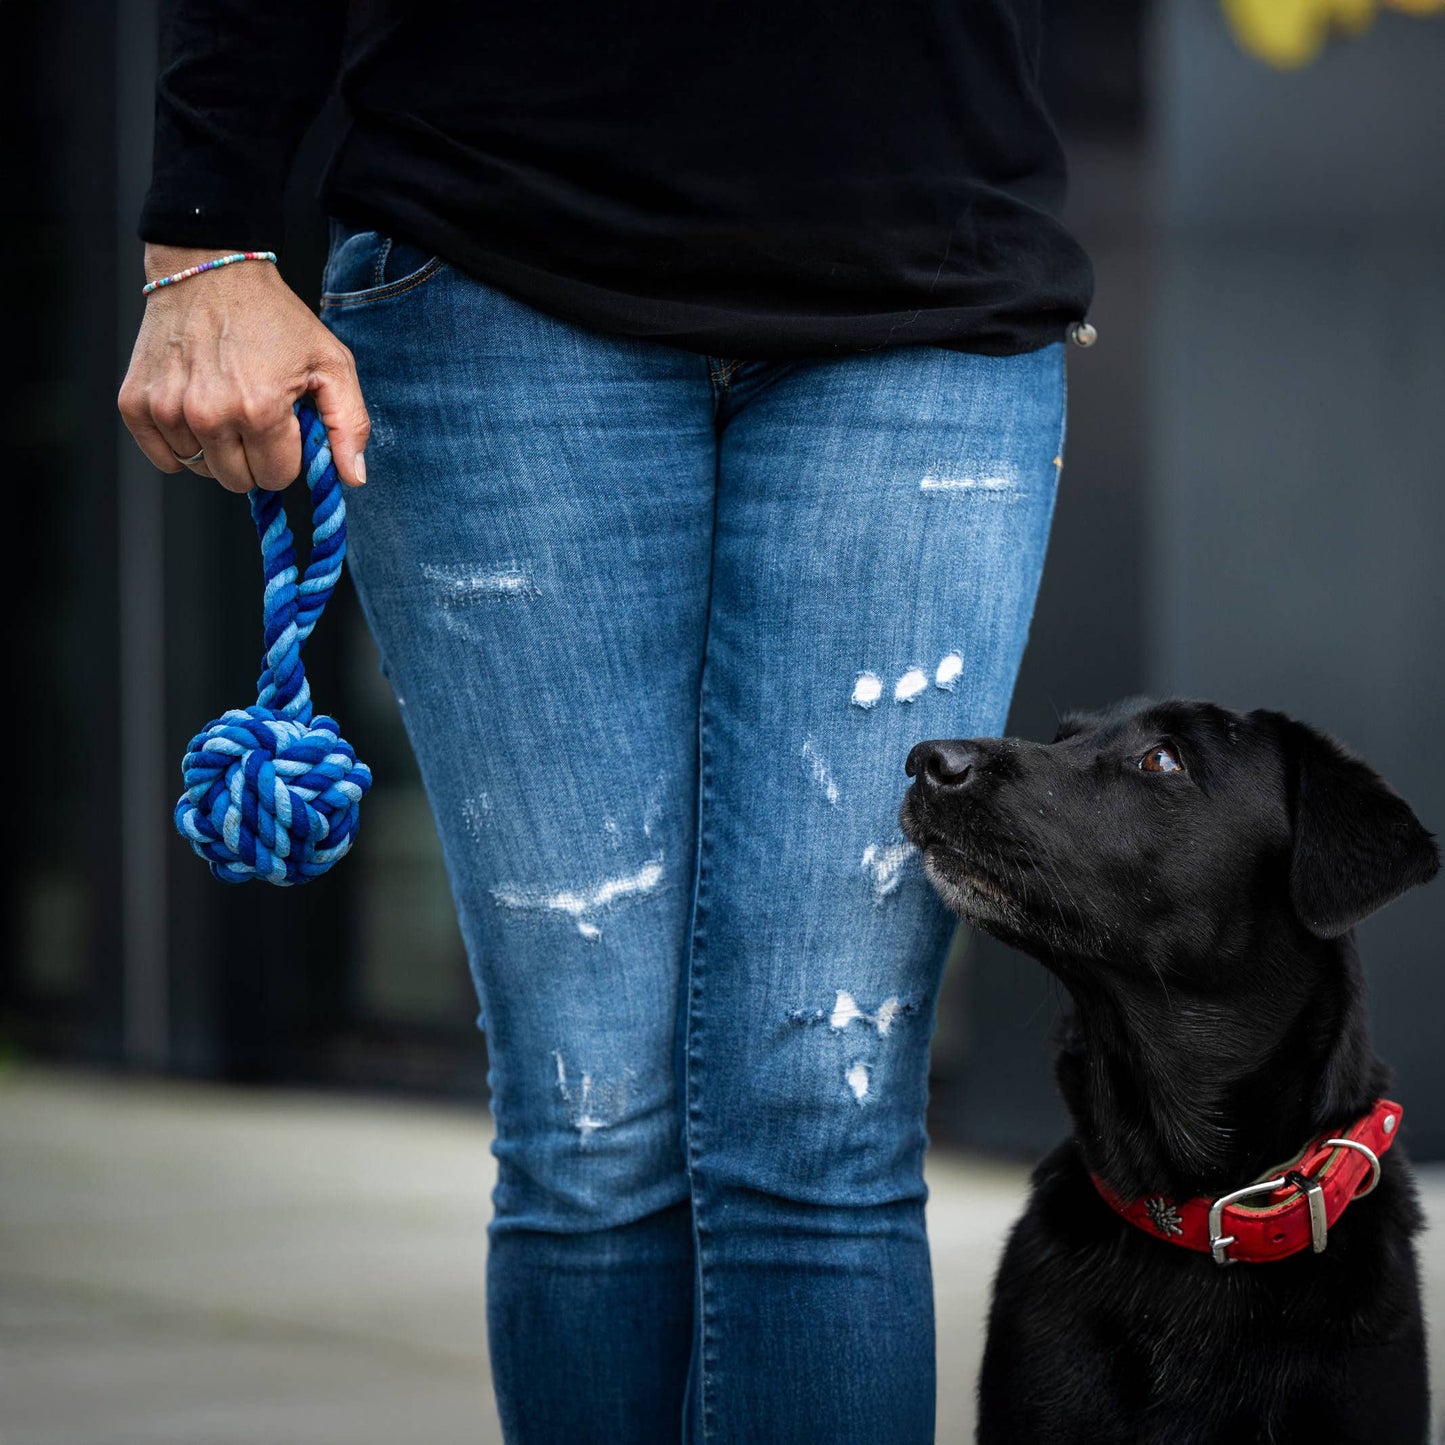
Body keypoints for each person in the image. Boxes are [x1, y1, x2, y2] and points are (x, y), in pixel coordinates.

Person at [119, 2, 1093, 1439]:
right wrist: (203, 234)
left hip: (928, 291)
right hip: (497, 264)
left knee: (820, 1112)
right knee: (592, 1123)